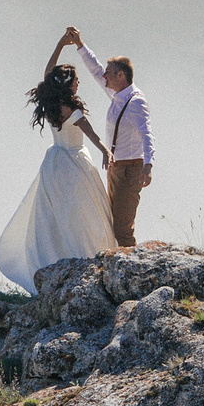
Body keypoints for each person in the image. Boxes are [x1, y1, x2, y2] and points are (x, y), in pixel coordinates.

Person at [0, 36, 116, 291]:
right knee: (85, 215)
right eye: (77, 81)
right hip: (75, 163)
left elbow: (48, 74)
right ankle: (89, 262)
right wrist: (106, 151)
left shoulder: (50, 103)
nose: (79, 83)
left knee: (56, 217)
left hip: (54, 163)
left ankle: (58, 262)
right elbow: (91, 134)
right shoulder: (73, 109)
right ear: (70, 85)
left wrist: (60, 44)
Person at [62, 25, 153, 248]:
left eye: (109, 73)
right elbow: (95, 69)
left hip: (131, 168)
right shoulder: (116, 94)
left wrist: (148, 165)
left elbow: (147, 134)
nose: (104, 76)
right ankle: (123, 264)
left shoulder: (136, 101)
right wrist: (80, 45)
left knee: (122, 227)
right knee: (112, 223)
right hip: (115, 167)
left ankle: (132, 269)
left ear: (121, 76)